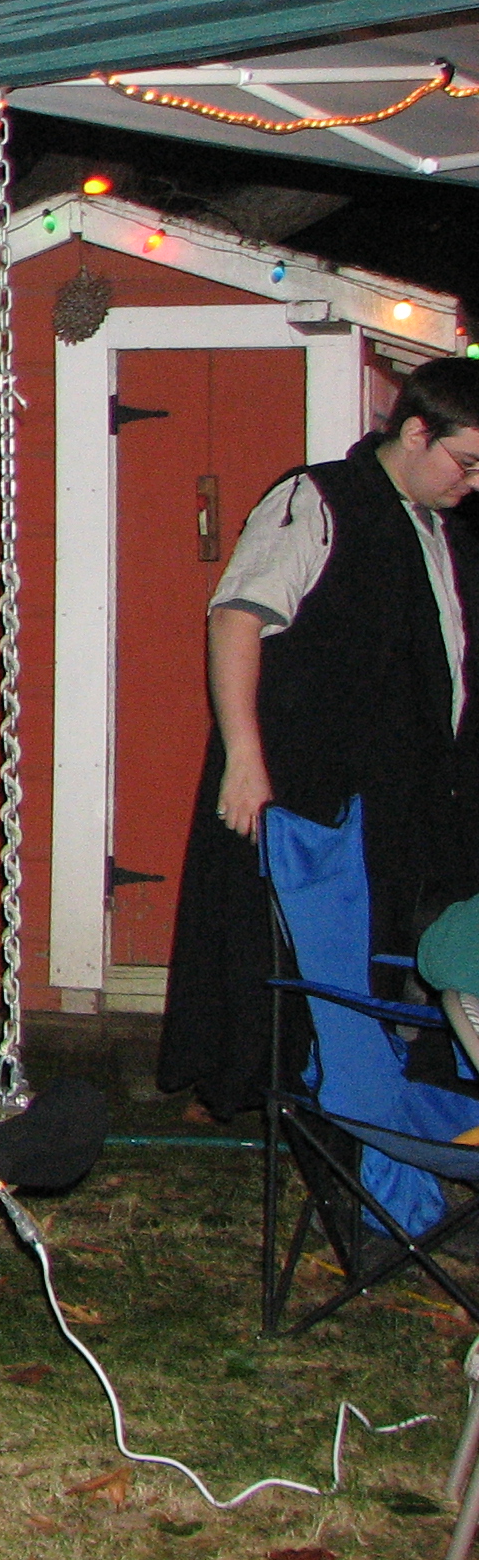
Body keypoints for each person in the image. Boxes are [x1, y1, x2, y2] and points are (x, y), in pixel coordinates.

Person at [157, 358, 479, 1117]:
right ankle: (244, 1085)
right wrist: (244, 758)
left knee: (377, 940)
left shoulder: (445, 529)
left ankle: (354, 1083)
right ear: (415, 432)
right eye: (466, 462)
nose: (475, 482)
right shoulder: (318, 498)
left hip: (403, 785)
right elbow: (237, 617)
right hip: (305, 772)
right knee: (273, 937)